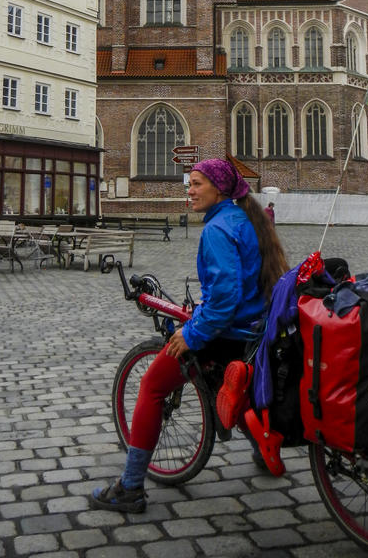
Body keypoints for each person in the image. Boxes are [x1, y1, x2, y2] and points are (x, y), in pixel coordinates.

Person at [90, 157, 288, 514]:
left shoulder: (217, 229)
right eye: (189, 184)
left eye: (197, 184)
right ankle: (263, 447)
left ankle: (131, 486)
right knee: (228, 384)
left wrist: (193, 333)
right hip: (251, 331)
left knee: (151, 386)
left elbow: (225, 298)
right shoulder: (246, 219)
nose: (189, 191)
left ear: (220, 188)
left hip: (225, 331)